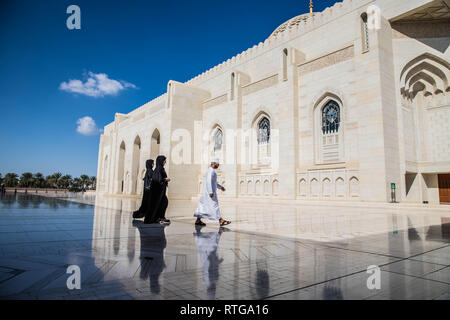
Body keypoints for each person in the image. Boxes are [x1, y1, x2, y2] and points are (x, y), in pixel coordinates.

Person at [194, 158, 231, 226]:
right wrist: (210, 192)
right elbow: (208, 181)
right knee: (214, 205)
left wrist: (220, 187)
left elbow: (213, 182)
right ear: (213, 163)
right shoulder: (211, 171)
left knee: (203, 206)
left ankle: (198, 220)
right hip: (210, 193)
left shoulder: (211, 170)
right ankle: (221, 221)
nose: (218, 165)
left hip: (206, 193)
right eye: (217, 164)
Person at [144, 155, 171, 224]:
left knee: (163, 203)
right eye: (164, 160)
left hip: (161, 191)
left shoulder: (160, 168)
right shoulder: (159, 169)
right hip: (158, 191)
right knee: (163, 202)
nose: (165, 162)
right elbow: (158, 180)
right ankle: (159, 217)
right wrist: (165, 179)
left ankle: (159, 217)